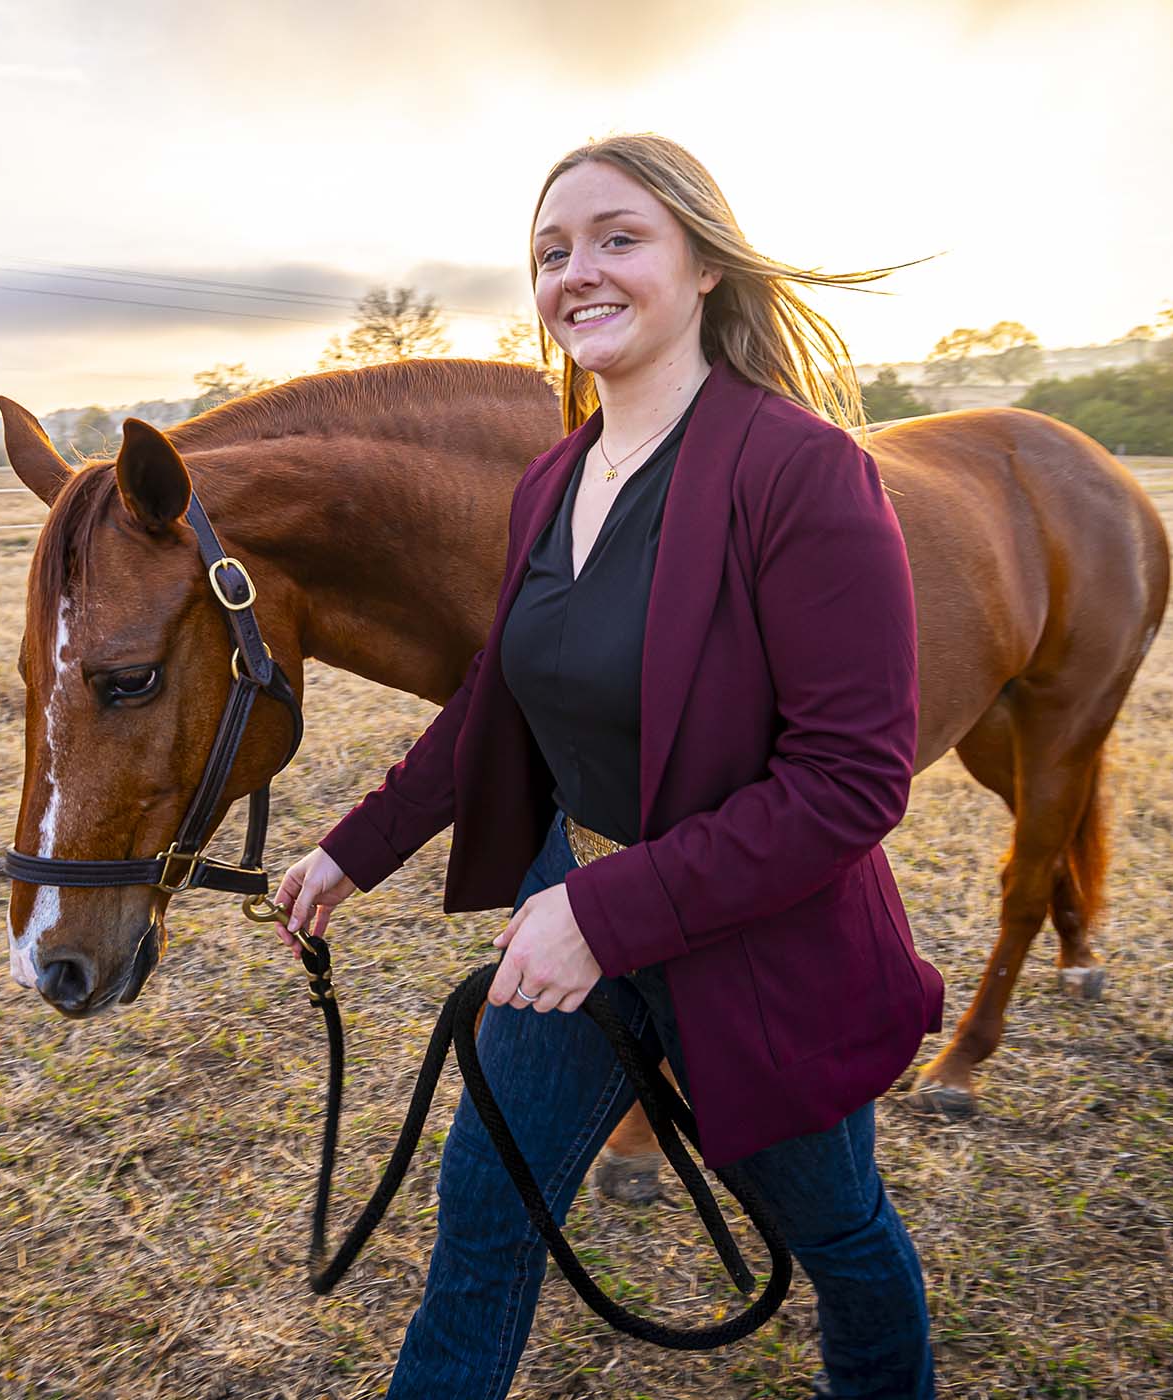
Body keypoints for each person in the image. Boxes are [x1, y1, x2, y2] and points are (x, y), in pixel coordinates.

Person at [275, 132, 943, 1399]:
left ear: (703, 265)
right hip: (567, 934)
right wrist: (355, 848)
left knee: (840, 1239)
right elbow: (499, 698)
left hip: (762, 954)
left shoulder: (805, 474)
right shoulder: (551, 479)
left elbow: (852, 782)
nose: (577, 270)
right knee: (482, 1225)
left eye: (618, 238)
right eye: (550, 251)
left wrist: (604, 910)